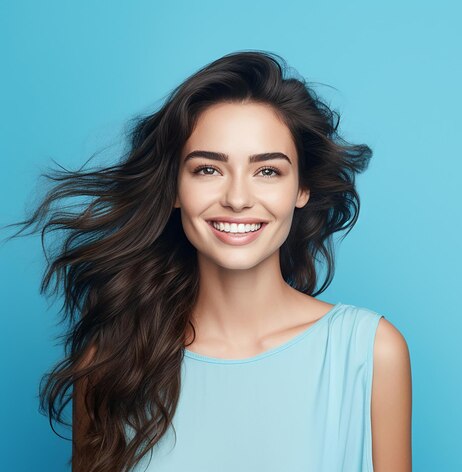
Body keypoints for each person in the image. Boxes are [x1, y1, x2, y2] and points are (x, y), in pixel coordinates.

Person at [6, 50, 412, 471]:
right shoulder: (111, 362)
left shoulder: (370, 353)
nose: (237, 198)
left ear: (301, 188)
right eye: (207, 170)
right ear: (175, 189)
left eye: (268, 171)